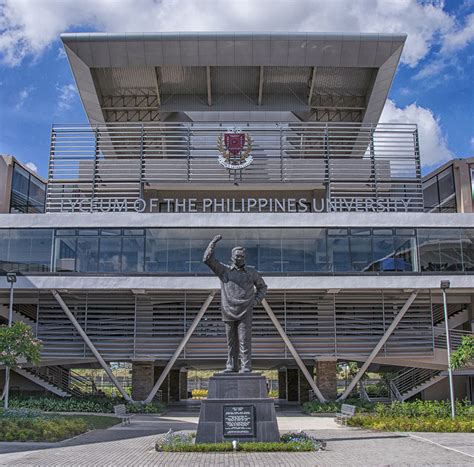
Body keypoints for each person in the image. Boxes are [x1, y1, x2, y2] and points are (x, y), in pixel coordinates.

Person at [203, 234, 267, 373]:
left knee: (244, 340)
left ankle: (246, 367)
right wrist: (213, 242)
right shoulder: (223, 270)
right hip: (228, 310)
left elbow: (262, 287)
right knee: (231, 342)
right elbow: (207, 259)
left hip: (245, 310)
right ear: (232, 257)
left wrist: (256, 300)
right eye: (238, 256)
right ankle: (231, 366)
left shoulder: (252, 272)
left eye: (242, 256)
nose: (240, 258)